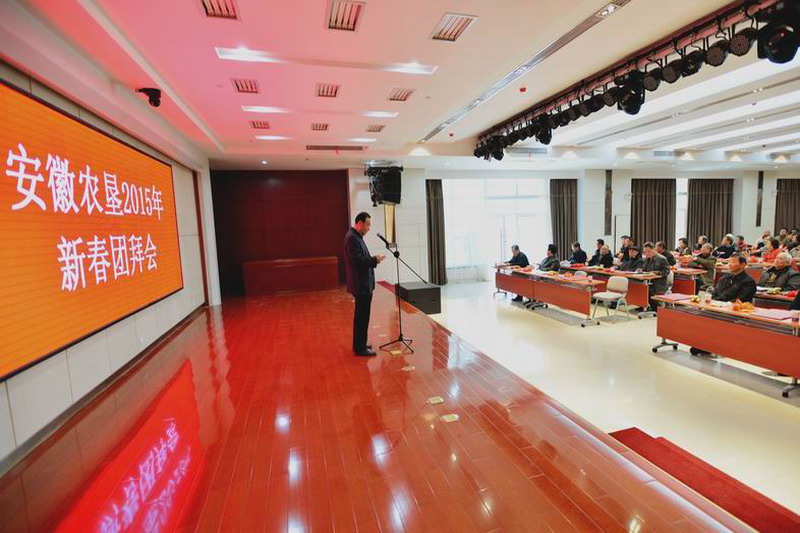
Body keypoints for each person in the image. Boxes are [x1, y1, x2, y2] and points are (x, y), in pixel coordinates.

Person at [690, 254, 756, 357]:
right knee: (701, 315)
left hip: (733, 310)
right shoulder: (725, 277)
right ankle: (702, 344)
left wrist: (723, 304)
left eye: (733, 262)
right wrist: (715, 302)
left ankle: (712, 346)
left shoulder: (748, 281)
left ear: (742, 265)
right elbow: (715, 292)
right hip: (717, 307)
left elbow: (741, 299)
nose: (730, 264)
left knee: (715, 318)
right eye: (729, 262)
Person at [343, 212, 385, 356]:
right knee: (361, 317)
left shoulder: (356, 237)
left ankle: (361, 343)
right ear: (360, 223)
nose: (368, 228)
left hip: (363, 284)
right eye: (367, 225)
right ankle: (360, 348)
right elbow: (358, 261)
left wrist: (373, 259)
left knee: (363, 316)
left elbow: (361, 258)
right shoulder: (352, 238)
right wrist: (375, 260)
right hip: (360, 285)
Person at [642, 242, 671, 310]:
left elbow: (667, 271)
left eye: (648, 251)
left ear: (654, 250)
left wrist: (656, 272)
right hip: (649, 281)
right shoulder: (647, 258)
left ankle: (657, 308)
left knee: (652, 293)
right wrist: (641, 270)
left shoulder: (662, 259)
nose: (647, 254)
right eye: (645, 252)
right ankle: (646, 306)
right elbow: (645, 269)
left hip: (659, 282)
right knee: (642, 289)